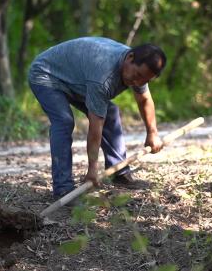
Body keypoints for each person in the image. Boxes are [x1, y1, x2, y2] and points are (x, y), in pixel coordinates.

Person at [28, 37, 166, 199]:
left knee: (110, 112)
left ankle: (119, 171)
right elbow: (95, 125)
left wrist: (152, 133)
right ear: (130, 58)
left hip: (76, 78)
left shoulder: (139, 67)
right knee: (64, 121)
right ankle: (63, 188)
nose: (137, 82)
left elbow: (144, 99)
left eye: (144, 80)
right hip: (46, 74)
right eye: (137, 75)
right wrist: (92, 169)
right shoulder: (104, 76)